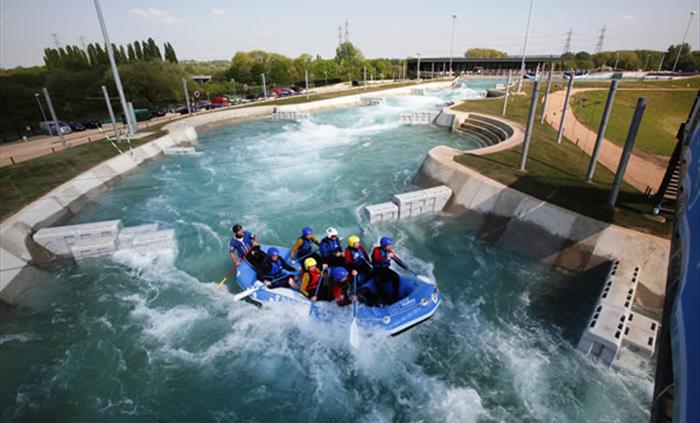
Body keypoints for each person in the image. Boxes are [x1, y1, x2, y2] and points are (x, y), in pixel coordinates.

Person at [371, 236, 400, 304]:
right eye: (389, 245)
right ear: (384, 245)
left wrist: (405, 266)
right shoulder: (376, 250)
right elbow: (377, 258)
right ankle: (384, 299)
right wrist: (386, 257)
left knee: (396, 276)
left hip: (385, 269)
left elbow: (397, 259)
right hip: (377, 271)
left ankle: (395, 295)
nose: (390, 246)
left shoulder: (389, 251)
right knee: (379, 283)